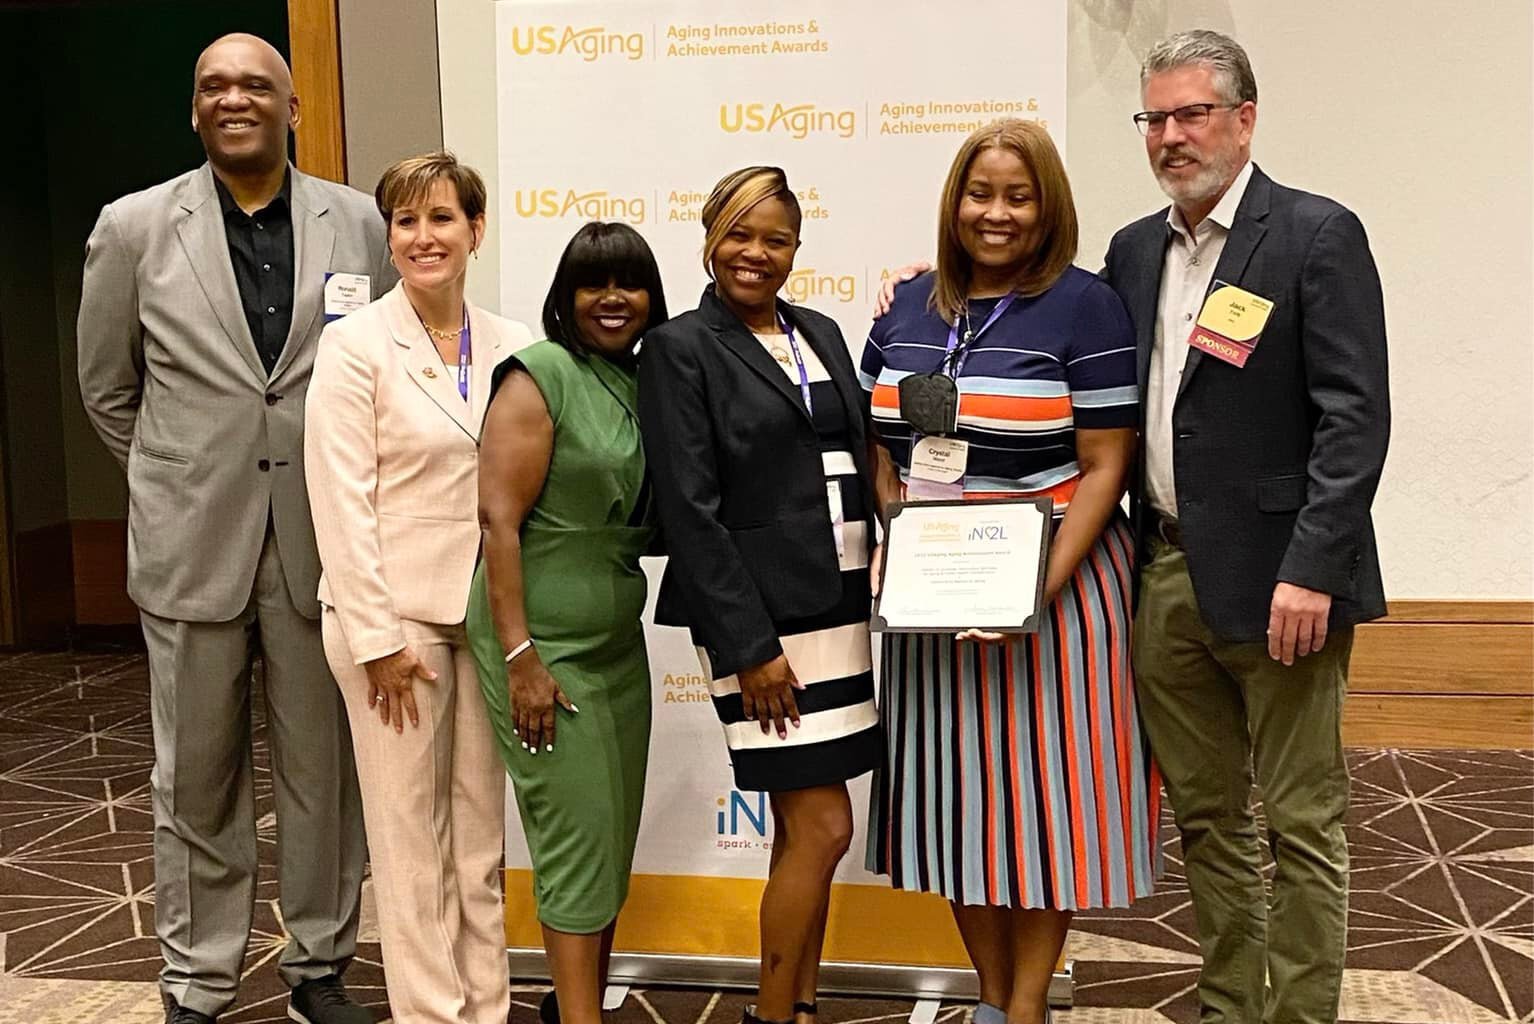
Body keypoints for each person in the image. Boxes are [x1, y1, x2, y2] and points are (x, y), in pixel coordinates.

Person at [76, 33, 391, 1024]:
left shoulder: (359, 223)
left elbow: (385, 369)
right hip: (191, 547)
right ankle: (198, 979)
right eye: (213, 86)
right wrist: (173, 482)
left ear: (292, 109)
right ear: (195, 109)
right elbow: (107, 388)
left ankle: (319, 967)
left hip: (320, 543)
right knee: (195, 777)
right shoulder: (133, 228)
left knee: (322, 774)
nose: (234, 98)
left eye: (256, 84)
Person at [1100, 31, 1389, 1024]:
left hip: (1284, 585)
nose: (1171, 136)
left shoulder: (1314, 234)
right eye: (1154, 118)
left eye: (1192, 113)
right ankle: (1230, 1005)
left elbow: (1355, 418)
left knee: (1302, 820)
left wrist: (1313, 567)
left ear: (1245, 119)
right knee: (1206, 818)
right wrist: (940, 290)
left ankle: (1300, 1014)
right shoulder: (1133, 251)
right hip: (1165, 575)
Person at [860, 119, 1160, 1024]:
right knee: (956, 808)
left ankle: (1026, 1003)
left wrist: (1033, 589)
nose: (996, 213)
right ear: (954, 201)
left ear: (1048, 208)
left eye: (1018, 197)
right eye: (980, 193)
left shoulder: (1086, 306)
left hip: (1057, 594)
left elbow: (1106, 464)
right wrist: (894, 538)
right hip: (933, 596)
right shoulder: (907, 308)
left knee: (1042, 808)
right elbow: (881, 442)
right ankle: (990, 999)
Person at [637, 166, 882, 1024]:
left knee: (801, 828)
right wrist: (751, 648)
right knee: (825, 826)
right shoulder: (679, 348)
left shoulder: (820, 331)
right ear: (710, 238)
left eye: (776, 239)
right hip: (762, 621)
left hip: (838, 606)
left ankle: (799, 1004)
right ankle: (773, 1013)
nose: (756, 253)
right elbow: (690, 510)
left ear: (797, 249)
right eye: (739, 234)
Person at [304, 152, 533, 1024]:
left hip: (484, 619)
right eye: (406, 221)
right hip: (392, 625)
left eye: (442, 218)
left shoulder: (517, 346)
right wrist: (376, 640)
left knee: (478, 841)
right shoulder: (354, 344)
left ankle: (486, 1008)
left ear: (477, 230)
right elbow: (339, 499)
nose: (423, 237)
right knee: (410, 851)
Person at [466, 221, 667, 1024]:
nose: (613, 299)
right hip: (542, 644)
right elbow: (498, 523)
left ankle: (575, 1006)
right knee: (574, 840)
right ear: (566, 296)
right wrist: (521, 656)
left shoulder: (647, 380)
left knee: (608, 837)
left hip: (616, 640)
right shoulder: (539, 375)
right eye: (594, 283)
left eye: (630, 283)